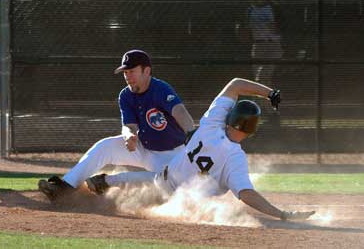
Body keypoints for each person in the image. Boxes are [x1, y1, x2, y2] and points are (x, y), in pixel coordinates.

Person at [86, 78, 315, 221]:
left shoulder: (211, 124)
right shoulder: (235, 158)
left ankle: (103, 182)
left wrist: (269, 93)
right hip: (181, 203)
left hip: (163, 181)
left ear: (230, 117)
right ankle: (105, 183)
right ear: (251, 131)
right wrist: (283, 215)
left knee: (142, 183)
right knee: (145, 190)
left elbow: (235, 85)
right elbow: (246, 195)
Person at [38, 49, 195, 200]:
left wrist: (191, 132)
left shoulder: (160, 89)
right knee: (105, 146)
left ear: (146, 71)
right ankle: (64, 188)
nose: (127, 76)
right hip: (143, 148)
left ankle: (106, 182)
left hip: (172, 156)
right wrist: (129, 136)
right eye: (125, 72)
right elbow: (129, 125)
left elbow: (179, 111)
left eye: (132, 71)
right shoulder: (126, 95)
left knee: (167, 181)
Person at [238, 0, 283, 86]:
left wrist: (273, 27)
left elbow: (281, 28)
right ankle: (265, 100)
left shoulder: (273, 8)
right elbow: (244, 28)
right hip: (258, 45)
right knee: (259, 78)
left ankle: (264, 98)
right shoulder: (250, 10)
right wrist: (242, 31)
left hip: (273, 45)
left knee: (263, 74)